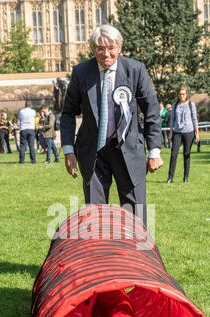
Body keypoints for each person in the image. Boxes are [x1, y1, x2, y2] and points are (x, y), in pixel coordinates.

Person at [60, 24, 163, 225]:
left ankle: (134, 255)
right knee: (95, 214)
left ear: (120, 48)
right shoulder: (81, 72)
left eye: (111, 48)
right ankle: (99, 255)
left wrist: (154, 151)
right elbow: (67, 113)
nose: (106, 54)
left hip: (128, 148)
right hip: (93, 151)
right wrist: (68, 151)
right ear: (92, 49)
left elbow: (151, 111)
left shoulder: (135, 69)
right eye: (100, 48)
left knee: (135, 210)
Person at [166, 86, 199, 184]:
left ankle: (185, 177)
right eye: (180, 94)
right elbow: (172, 120)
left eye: (183, 94)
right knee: (173, 154)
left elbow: (194, 119)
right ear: (178, 95)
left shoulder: (191, 104)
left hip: (189, 132)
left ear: (187, 94)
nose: (181, 96)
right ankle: (170, 177)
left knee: (186, 154)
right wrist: (171, 134)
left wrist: (197, 134)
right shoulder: (175, 105)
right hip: (177, 132)